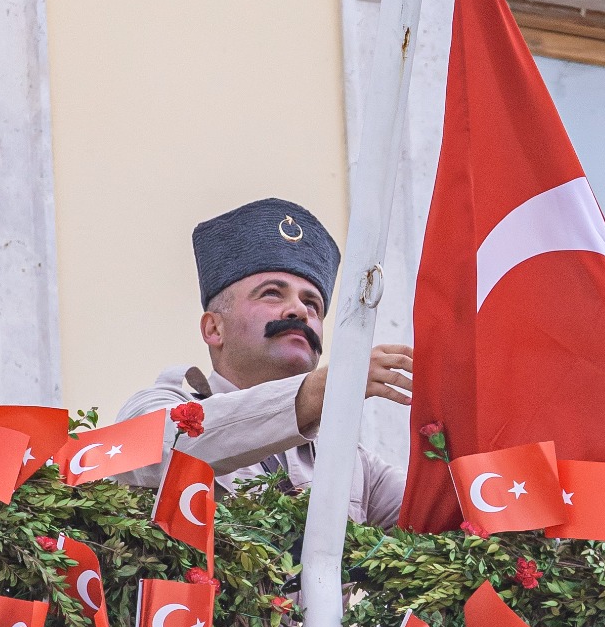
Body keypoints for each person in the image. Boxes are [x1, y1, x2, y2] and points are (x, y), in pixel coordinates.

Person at [117, 197, 411, 526]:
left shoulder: (350, 461)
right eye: (272, 293)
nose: (300, 311)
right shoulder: (156, 405)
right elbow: (160, 450)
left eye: (313, 304)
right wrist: (322, 389)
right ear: (214, 328)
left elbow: (445, 518)